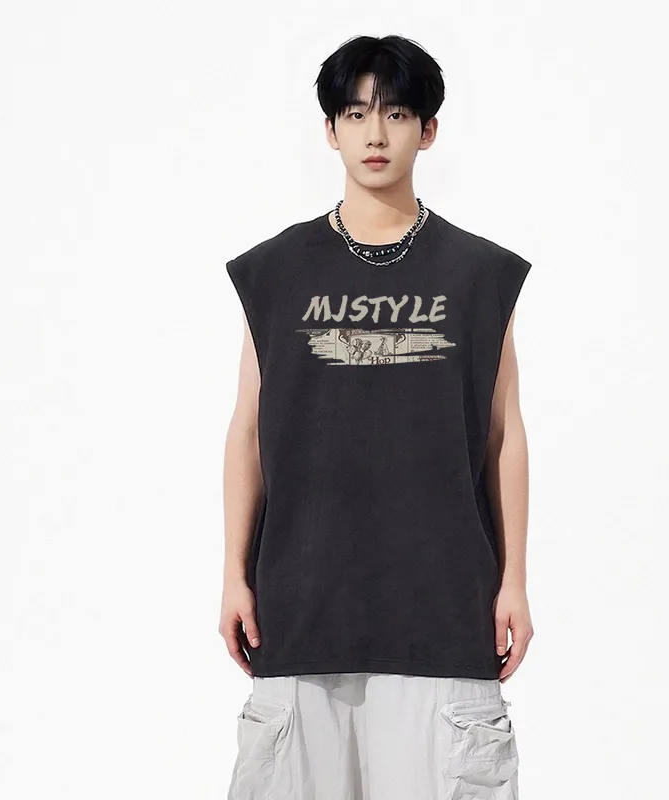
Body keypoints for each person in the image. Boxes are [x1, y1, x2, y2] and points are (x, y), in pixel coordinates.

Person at [220, 34, 534, 800]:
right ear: (330, 129)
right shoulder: (277, 271)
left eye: (396, 113)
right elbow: (248, 432)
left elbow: (503, 436)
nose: (376, 133)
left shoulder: (479, 274)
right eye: (356, 113)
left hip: (444, 605)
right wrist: (233, 574)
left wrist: (515, 582)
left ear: (429, 130)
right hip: (301, 603)